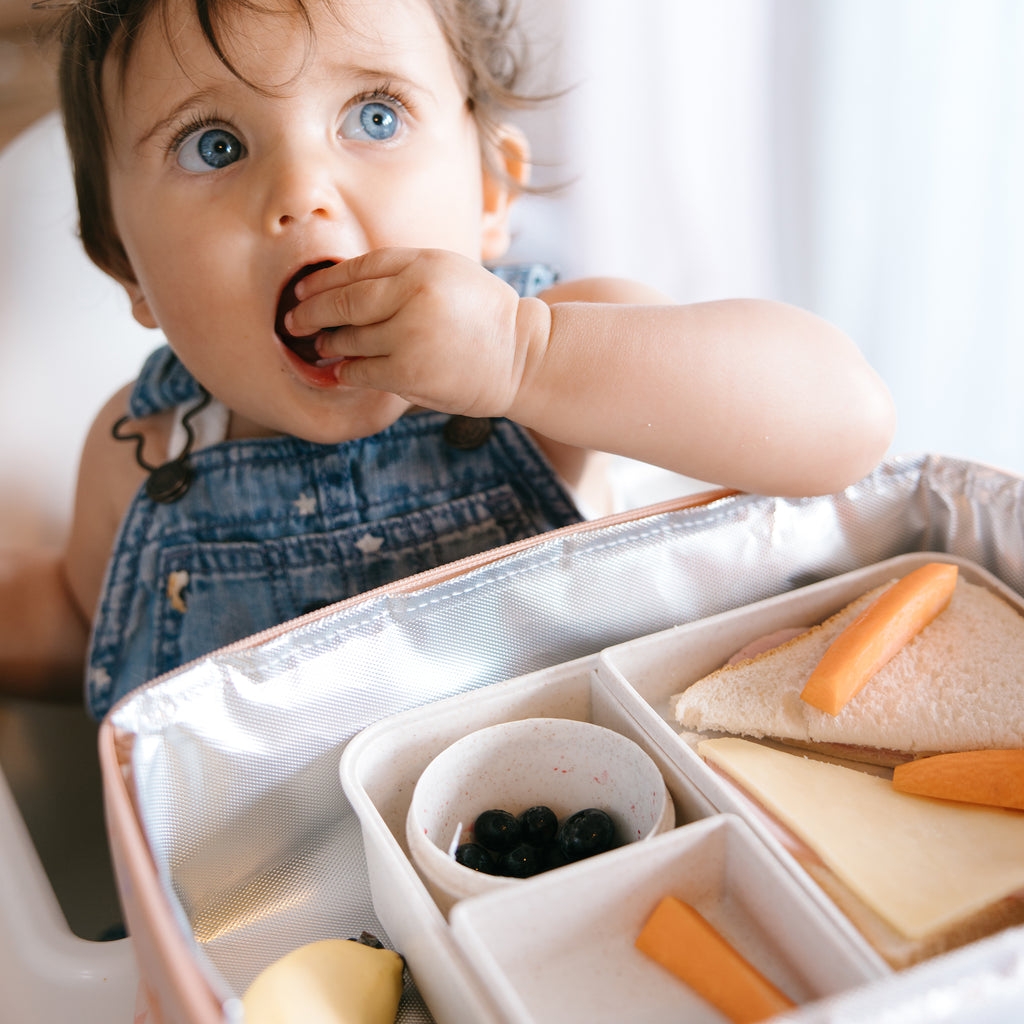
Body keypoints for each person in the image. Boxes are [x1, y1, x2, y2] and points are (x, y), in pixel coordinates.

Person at [0, 0, 894, 718]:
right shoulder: (145, 453)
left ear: (490, 190)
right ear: (129, 267)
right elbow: (88, 621)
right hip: (259, 919)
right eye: (216, 146)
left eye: (374, 116)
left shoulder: (555, 350)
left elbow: (843, 421)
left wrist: (525, 356)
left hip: (563, 864)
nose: (301, 194)